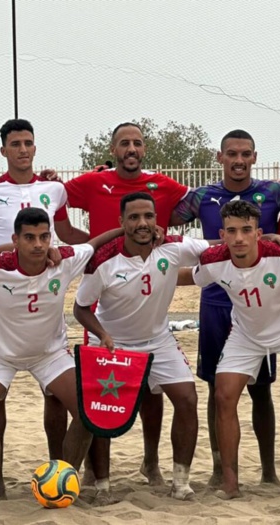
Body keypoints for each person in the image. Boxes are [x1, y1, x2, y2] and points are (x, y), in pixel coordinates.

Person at [0, 207, 121, 499]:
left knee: (88, 411)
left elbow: (96, 243)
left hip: (49, 354)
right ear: (16, 239)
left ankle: (62, 479)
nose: (38, 244)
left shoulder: (64, 262)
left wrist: (126, 230)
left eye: (44, 237)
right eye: (30, 238)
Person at [62, 122, 190, 485]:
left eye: (136, 143)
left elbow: (194, 207)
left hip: (148, 297)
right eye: (123, 144)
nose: (130, 149)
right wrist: (83, 242)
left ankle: (152, 465)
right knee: (100, 402)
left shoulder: (164, 186)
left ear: (144, 148)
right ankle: (95, 475)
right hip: (105, 291)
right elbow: (51, 196)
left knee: (155, 396)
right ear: (113, 149)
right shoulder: (91, 182)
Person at [0, 118, 88, 465]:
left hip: (43, 295)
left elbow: (66, 233)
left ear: (35, 147)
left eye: (28, 143)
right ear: (3, 150)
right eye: (15, 144)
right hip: (4, 297)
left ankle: (57, 467)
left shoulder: (55, 190)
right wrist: (7, 252)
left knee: (58, 399)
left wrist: (101, 246)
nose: (22, 150)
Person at [170, 130, 280, 488]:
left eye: (245, 154)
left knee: (262, 389)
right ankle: (220, 469)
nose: (239, 160)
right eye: (232, 154)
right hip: (218, 297)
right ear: (219, 157)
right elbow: (164, 218)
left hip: (268, 295)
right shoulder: (202, 197)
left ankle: (268, 471)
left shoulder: (274, 191)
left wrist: (276, 238)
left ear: (254, 157)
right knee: (216, 386)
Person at [73, 192, 211, 502]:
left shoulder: (172, 249)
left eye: (148, 216)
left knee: (187, 398)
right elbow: (80, 309)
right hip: (114, 343)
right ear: (121, 222)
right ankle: (103, 486)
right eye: (134, 217)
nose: (142, 223)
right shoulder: (105, 261)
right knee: (102, 411)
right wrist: (103, 335)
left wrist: (267, 239)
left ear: (156, 220)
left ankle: (180, 482)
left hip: (158, 340)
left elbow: (217, 248)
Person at [184, 200, 280, 499]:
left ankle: (269, 473)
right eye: (232, 231)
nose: (239, 238)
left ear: (259, 234)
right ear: (222, 233)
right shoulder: (215, 260)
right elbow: (186, 278)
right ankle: (231, 484)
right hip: (245, 335)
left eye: (247, 230)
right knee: (223, 394)